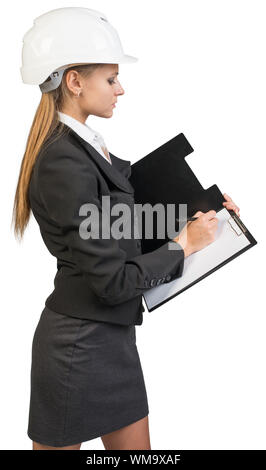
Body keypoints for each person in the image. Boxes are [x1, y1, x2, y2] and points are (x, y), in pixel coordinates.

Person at [12, 7, 240, 451]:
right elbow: (113, 281)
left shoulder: (84, 148)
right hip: (78, 346)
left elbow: (125, 216)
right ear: (75, 82)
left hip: (111, 339)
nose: (121, 89)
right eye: (111, 78)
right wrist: (183, 245)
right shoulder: (63, 161)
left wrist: (206, 213)